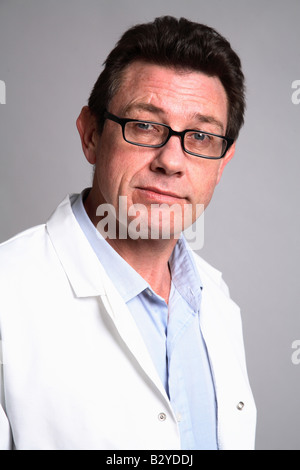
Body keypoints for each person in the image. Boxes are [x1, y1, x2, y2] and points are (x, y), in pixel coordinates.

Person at [0, 16, 256, 450]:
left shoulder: (217, 302)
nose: (171, 161)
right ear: (91, 135)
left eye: (199, 136)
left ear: (223, 162)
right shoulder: (9, 295)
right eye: (145, 126)